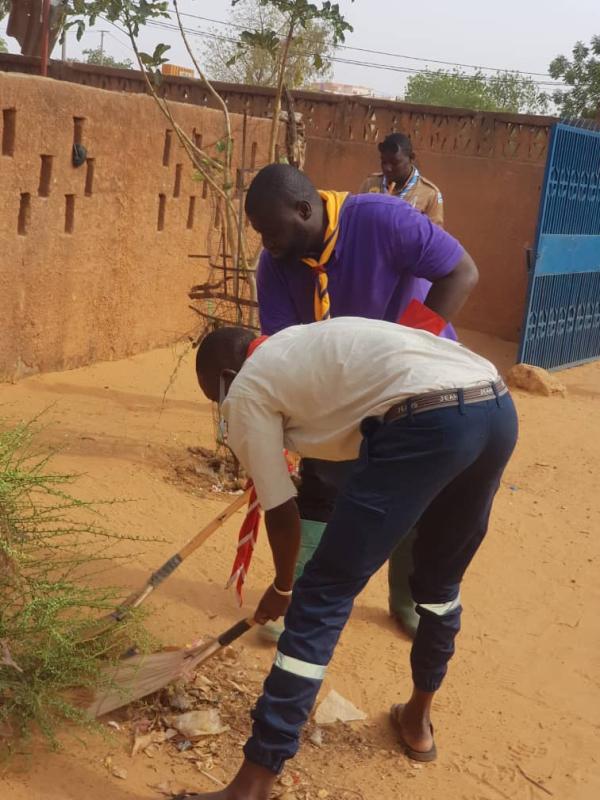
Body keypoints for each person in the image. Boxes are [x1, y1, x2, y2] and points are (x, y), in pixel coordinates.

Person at [184, 317, 518, 800]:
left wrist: (283, 588)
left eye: (215, 397)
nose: (221, 410)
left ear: (226, 377)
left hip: (424, 420)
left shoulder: (247, 389)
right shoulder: (300, 345)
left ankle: (253, 782)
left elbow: (282, 514)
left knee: (320, 596)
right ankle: (417, 721)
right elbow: (350, 457)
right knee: (439, 587)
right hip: (496, 405)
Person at [247, 163, 478, 640]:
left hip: (415, 381)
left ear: (304, 210)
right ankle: (300, 596)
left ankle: (407, 598)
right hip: (339, 389)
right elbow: (285, 346)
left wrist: (405, 350)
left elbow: (461, 272)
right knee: (320, 482)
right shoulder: (277, 265)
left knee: (417, 492)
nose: (266, 242)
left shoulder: (383, 219)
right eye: (259, 233)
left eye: (271, 230)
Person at [360, 132, 444, 227]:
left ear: (411, 158)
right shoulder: (370, 184)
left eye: (395, 163)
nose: (388, 168)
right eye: (384, 162)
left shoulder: (429, 194)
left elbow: (433, 238)